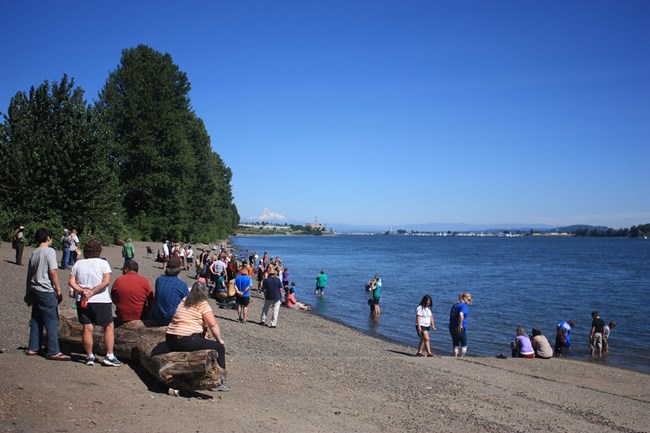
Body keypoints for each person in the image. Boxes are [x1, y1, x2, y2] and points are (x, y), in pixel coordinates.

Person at [165, 282, 229, 392]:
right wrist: (219, 340)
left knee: (201, 340)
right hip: (186, 338)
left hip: (171, 337)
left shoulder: (185, 300)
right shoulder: (202, 303)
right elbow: (212, 324)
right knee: (219, 348)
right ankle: (218, 381)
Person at [69, 239, 121, 366]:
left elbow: (71, 282)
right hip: (100, 299)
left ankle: (90, 356)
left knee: (87, 327)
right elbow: (106, 281)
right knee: (108, 326)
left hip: (83, 299)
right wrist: (92, 291)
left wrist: (82, 290)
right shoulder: (103, 263)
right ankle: (109, 355)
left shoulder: (78, 264)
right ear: (99, 251)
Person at [24, 228, 70, 360]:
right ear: (48, 238)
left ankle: (33, 347)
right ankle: (53, 350)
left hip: (34, 289)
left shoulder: (34, 252)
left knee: (36, 318)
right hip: (45, 289)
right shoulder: (49, 251)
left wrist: (27, 292)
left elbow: (29, 275)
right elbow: (53, 271)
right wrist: (58, 288)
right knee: (51, 320)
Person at [149, 256, 189, 326]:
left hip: (157, 316)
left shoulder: (159, 280)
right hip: (170, 319)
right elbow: (187, 303)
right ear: (178, 269)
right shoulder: (182, 285)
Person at [111, 260, 153, 324]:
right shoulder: (144, 281)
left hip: (122, 316)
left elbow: (113, 297)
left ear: (126, 269)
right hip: (140, 315)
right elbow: (151, 299)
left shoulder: (118, 280)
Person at [449, 292, 472, 357]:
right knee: (464, 344)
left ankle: (455, 356)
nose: (470, 301)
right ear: (464, 298)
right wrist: (460, 324)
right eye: (469, 299)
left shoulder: (455, 304)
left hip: (452, 326)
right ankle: (462, 356)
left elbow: (451, 315)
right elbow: (461, 314)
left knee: (455, 342)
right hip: (460, 327)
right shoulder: (464, 306)